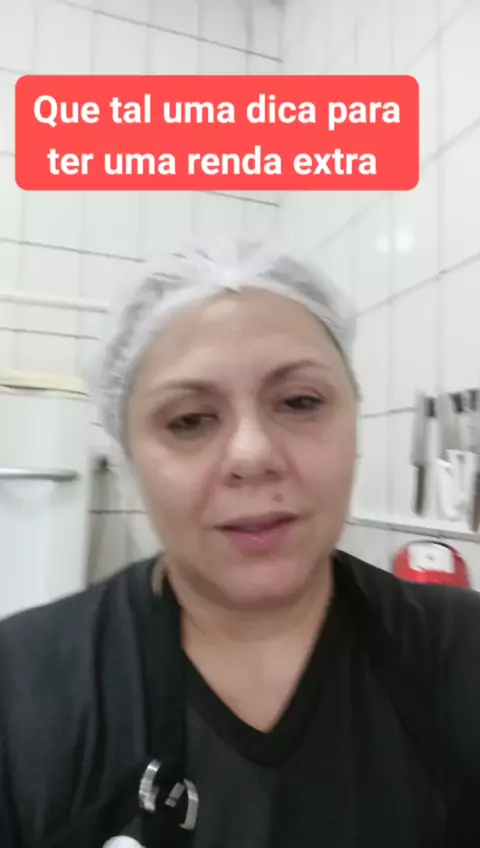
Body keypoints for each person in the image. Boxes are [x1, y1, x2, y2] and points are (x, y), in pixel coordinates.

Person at [1, 240, 479, 848]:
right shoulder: (23, 688)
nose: (253, 455)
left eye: (300, 402)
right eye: (190, 419)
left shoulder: (463, 656)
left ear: (353, 422)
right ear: (128, 457)